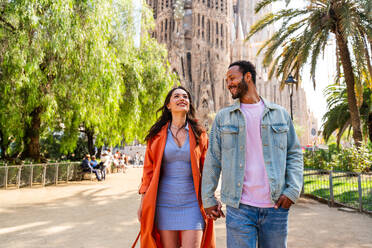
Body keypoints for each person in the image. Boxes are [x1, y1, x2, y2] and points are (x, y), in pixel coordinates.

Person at [201, 60, 303, 248]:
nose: (229, 84)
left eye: (232, 78)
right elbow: (213, 158)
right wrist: (207, 198)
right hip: (239, 207)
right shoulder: (223, 118)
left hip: (275, 207)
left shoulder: (280, 114)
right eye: (226, 80)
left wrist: (293, 190)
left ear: (248, 77)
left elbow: (294, 154)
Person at [135, 86, 215, 248]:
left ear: (189, 104)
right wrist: (143, 203)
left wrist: (211, 198)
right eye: (176, 96)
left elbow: (208, 170)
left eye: (185, 96)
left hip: (192, 204)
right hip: (164, 205)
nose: (182, 98)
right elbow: (148, 172)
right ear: (168, 105)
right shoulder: (156, 136)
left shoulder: (200, 134)